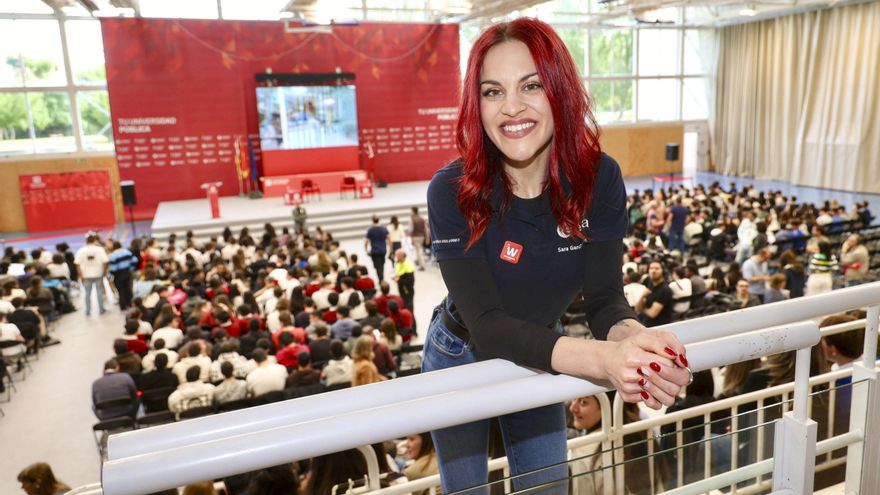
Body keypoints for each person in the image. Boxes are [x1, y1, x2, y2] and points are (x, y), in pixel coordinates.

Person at [423, 19, 688, 494]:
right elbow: (488, 325)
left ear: (560, 91)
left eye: (531, 85)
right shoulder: (452, 189)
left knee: (547, 486)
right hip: (461, 350)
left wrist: (638, 343)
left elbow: (605, 299)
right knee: (466, 489)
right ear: (475, 105)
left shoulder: (599, 178)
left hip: (544, 345)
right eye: (491, 92)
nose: (511, 107)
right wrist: (605, 361)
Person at [75, 234, 110, 316]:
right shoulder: (99, 249)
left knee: (87, 293)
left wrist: (81, 275)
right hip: (98, 273)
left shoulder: (81, 250)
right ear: (94, 240)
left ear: (86, 241)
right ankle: (101, 309)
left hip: (86, 275)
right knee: (99, 292)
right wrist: (104, 272)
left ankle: (87, 310)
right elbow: (105, 262)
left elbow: (77, 264)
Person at [108, 240, 139, 311]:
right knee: (128, 289)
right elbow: (135, 260)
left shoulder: (113, 255)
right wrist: (131, 268)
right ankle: (130, 304)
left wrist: (110, 276)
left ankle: (123, 306)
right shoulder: (127, 252)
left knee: (121, 291)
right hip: (128, 273)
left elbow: (113, 268)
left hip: (118, 275)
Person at [364, 215, 390, 281]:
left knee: (377, 266)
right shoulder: (383, 228)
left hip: (375, 251)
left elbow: (366, 241)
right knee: (381, 265)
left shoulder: (370, 230)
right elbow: (389, 238)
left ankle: (381, 279)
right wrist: (390, 248)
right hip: (383, 250)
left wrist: (366, 250)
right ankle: (382, 278)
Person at [409, 206, 428, 270]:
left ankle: (422, 265)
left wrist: (411, 238)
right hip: (422, 236)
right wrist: (427, 237)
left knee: (419, 251)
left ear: (413, 211)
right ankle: (418, 262)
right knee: (419, 250)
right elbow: (426, 229)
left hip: (415, 236)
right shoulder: (422, 218)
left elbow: (411, 230)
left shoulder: (412, 219)